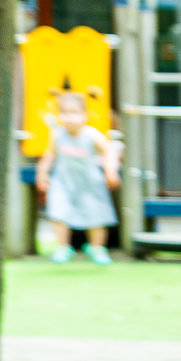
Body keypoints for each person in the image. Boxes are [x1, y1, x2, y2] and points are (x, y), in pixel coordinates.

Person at [37, 85, 123, 263]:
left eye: (74, 113)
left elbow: (109, 151)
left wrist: (110, 170)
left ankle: (97, 248)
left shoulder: (91, 134)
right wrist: (42, 173)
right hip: (63, 181)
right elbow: (49, 155)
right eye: (64, 113)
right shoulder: (57, 134)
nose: (69, 117)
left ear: (85, 115)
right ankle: (62, 247)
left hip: (89, 182)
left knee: (96, 214)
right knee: (58, 211)